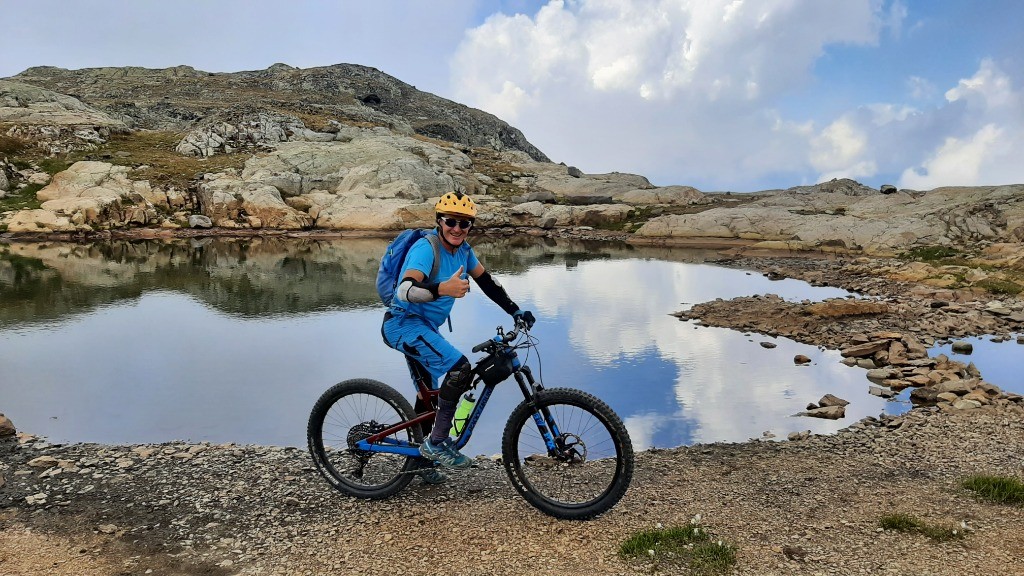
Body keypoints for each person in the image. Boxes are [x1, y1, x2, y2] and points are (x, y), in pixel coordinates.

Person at [381, 191, 535, 484]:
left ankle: (420, 461)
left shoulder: (464, 250)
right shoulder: (428, 249)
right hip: (404, 324)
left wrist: (516, 311)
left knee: (428, 394)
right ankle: (437, 444)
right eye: (451, 221)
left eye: (464, 224)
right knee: (460, 368)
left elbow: (487, 283)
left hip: (426, 328)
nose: (457, 228)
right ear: (439, 221)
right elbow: (405, 290)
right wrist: (442, 289)